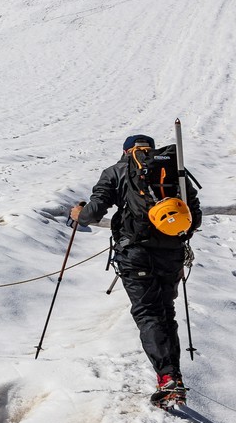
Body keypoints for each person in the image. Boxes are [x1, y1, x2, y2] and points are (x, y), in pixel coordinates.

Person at [71, 133, 201, 407]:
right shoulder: (173, 170)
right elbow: (194, 215)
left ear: (126, 150)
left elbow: (94, 212)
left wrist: (78, 215)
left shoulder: (116, 171)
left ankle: (168, 379)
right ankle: (171, 377)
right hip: (171, 255)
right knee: (165, 312)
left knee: (148, 313)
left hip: (135, 254)